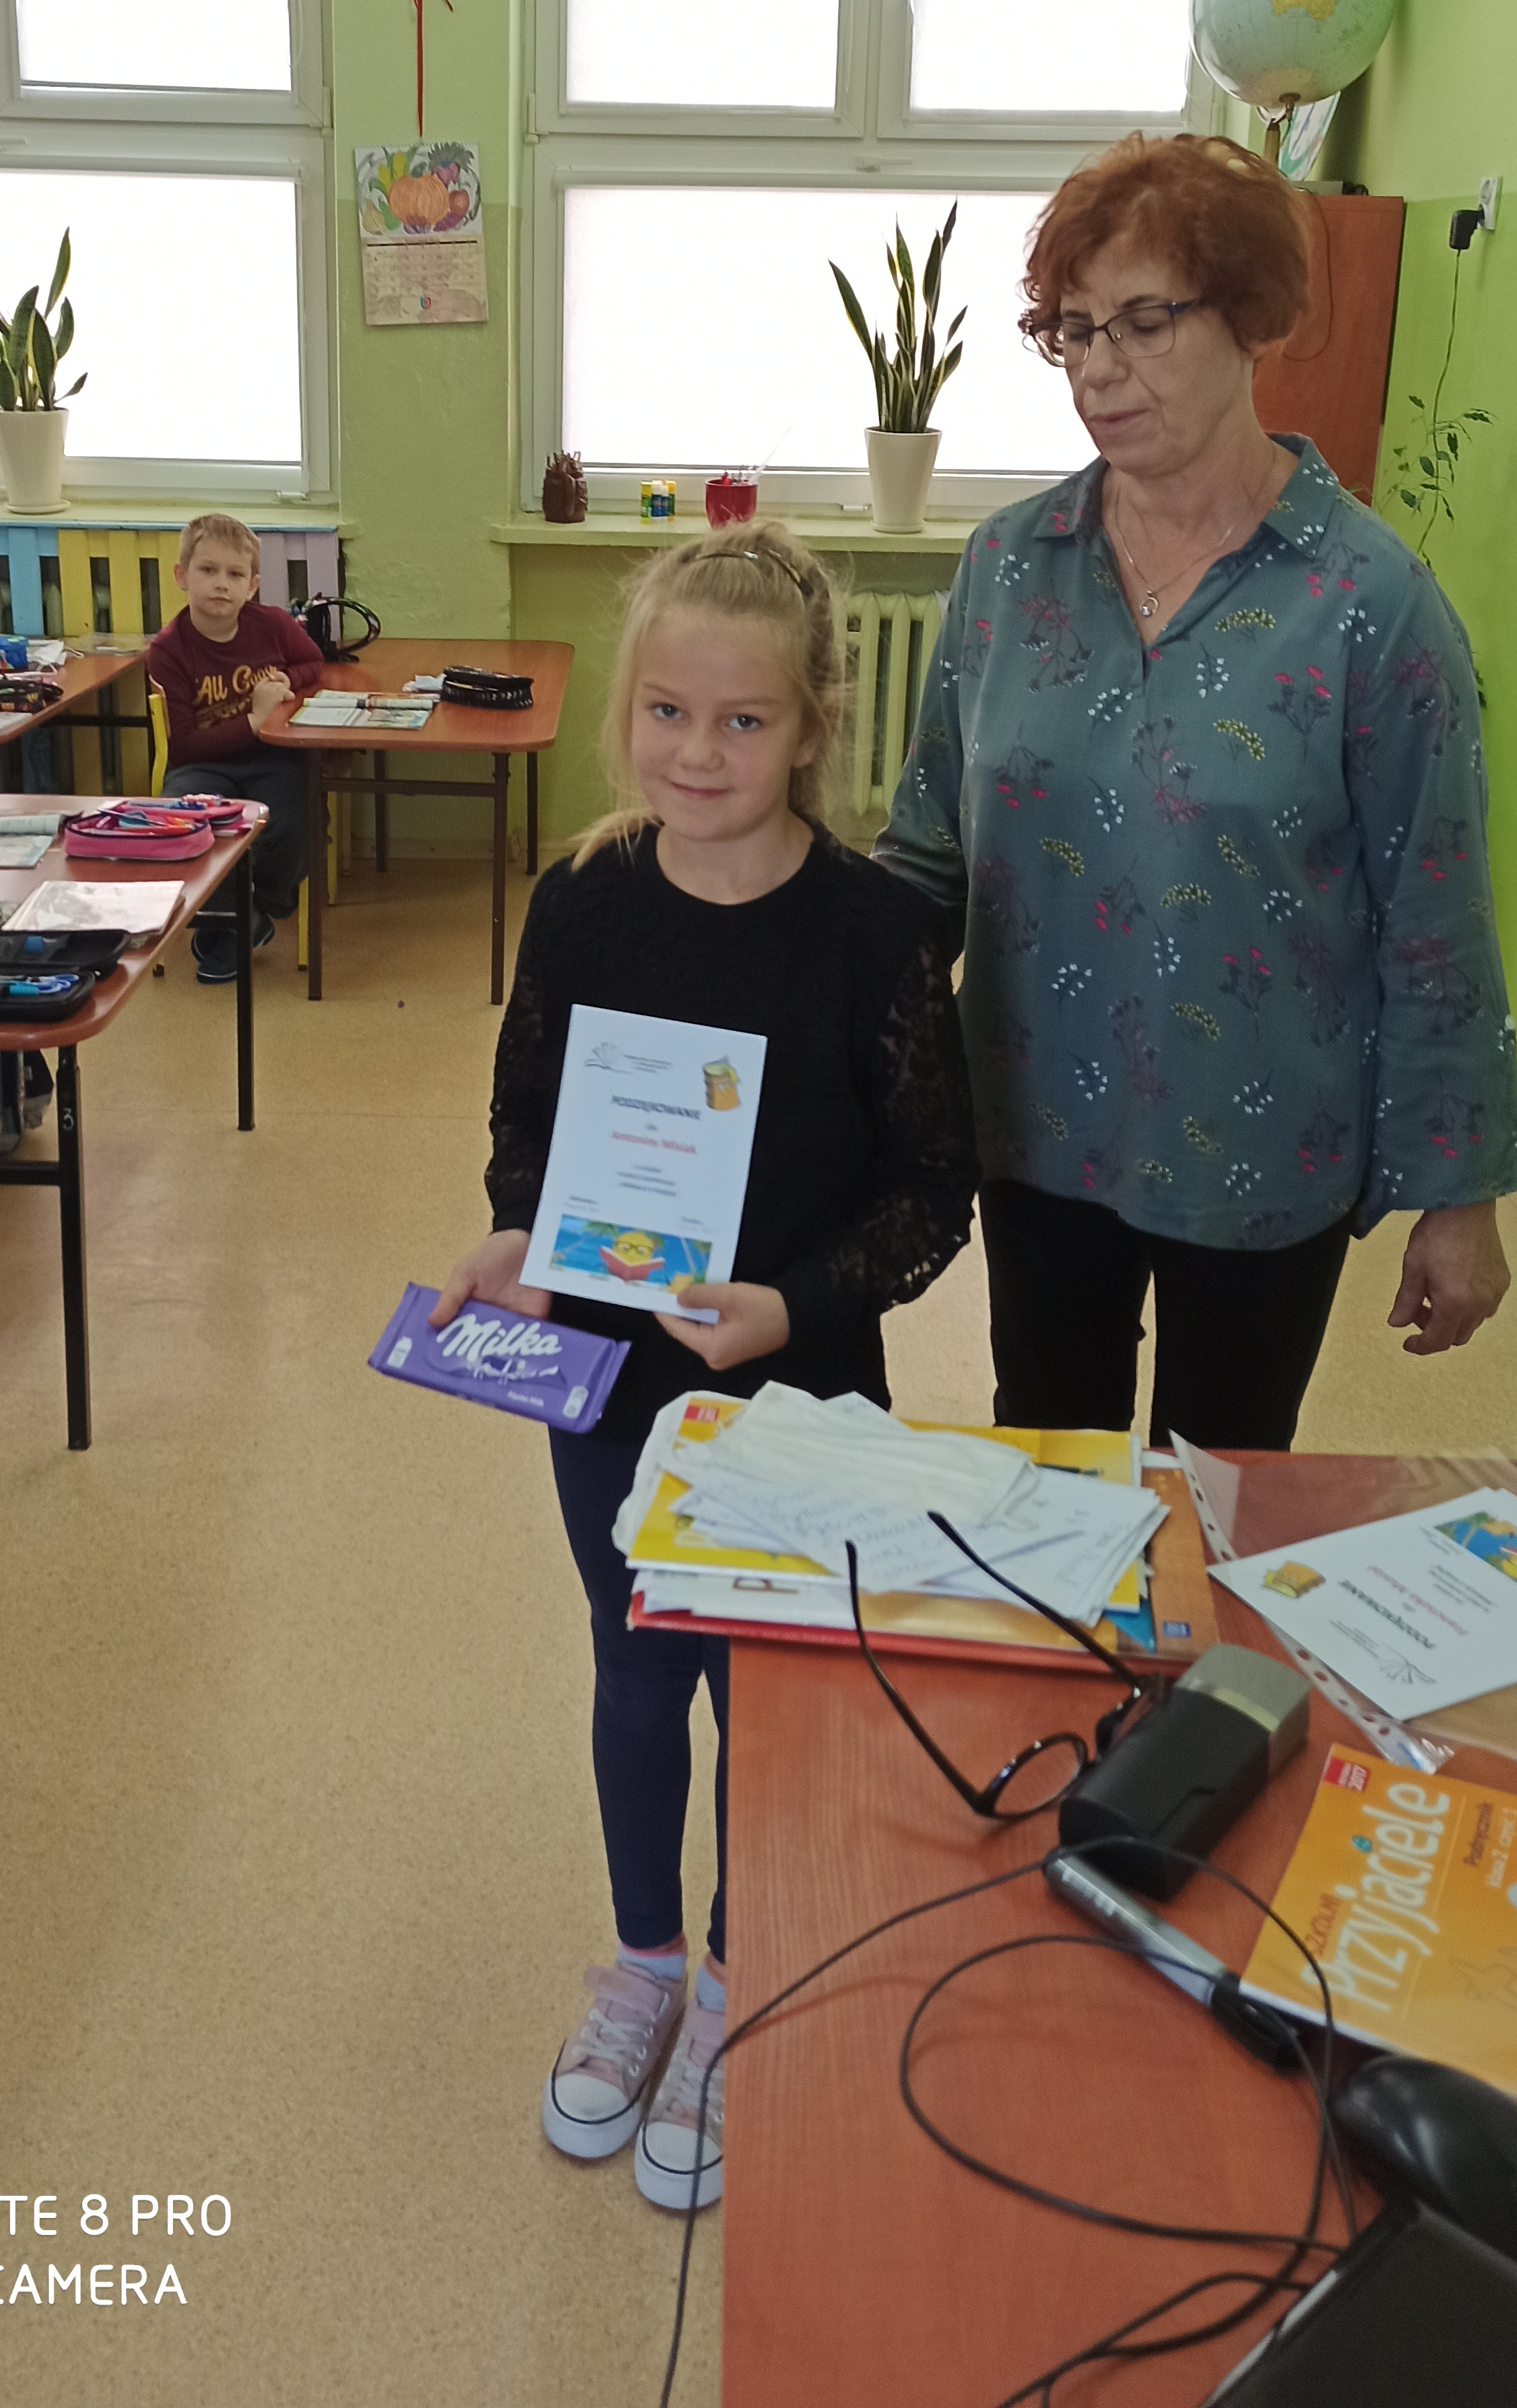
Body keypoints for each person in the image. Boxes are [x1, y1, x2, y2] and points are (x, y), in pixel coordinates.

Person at [431, 524, 976, 2213]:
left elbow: (931, 1194)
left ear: (812, 725)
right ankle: (645, 1962)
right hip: (606, 1370)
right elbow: (528, 1117)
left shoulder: (876, 930)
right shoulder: (583, 897)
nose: (698, 751)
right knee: (634, 1656)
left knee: (769, 1685)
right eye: (668, 710)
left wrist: (787, 1306)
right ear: (628, 712)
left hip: (794, 1383)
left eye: (744, 720)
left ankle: (745, 1972)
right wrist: (522, 1237)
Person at [877, 131, 1517, 1453]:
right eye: (1070, 330)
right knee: (1047, 1456)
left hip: (1262, 1141)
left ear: (1248, 318)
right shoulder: (1007, 568)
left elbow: (1433, 915)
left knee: (1222, 1483)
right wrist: (772, 998)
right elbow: (926, 854)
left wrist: (1459, 1191)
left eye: (1142, 321)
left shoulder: (1367, 601)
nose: (1097, 367)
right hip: (1035, 1120)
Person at [146, 513, 325, 981]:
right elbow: (184, 744)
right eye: (208, 570)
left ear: (252, 586)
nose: (221, 584)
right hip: (201, 763)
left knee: (298, 818)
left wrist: (285, 679)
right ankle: (236, 922)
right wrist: (253, 719)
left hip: (271, 757)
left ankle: (256, 914)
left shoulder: (273, 624)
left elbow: (313, 661)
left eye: (235, 574)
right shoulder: (167, 650)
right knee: (182, 825)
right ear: (182, 576)